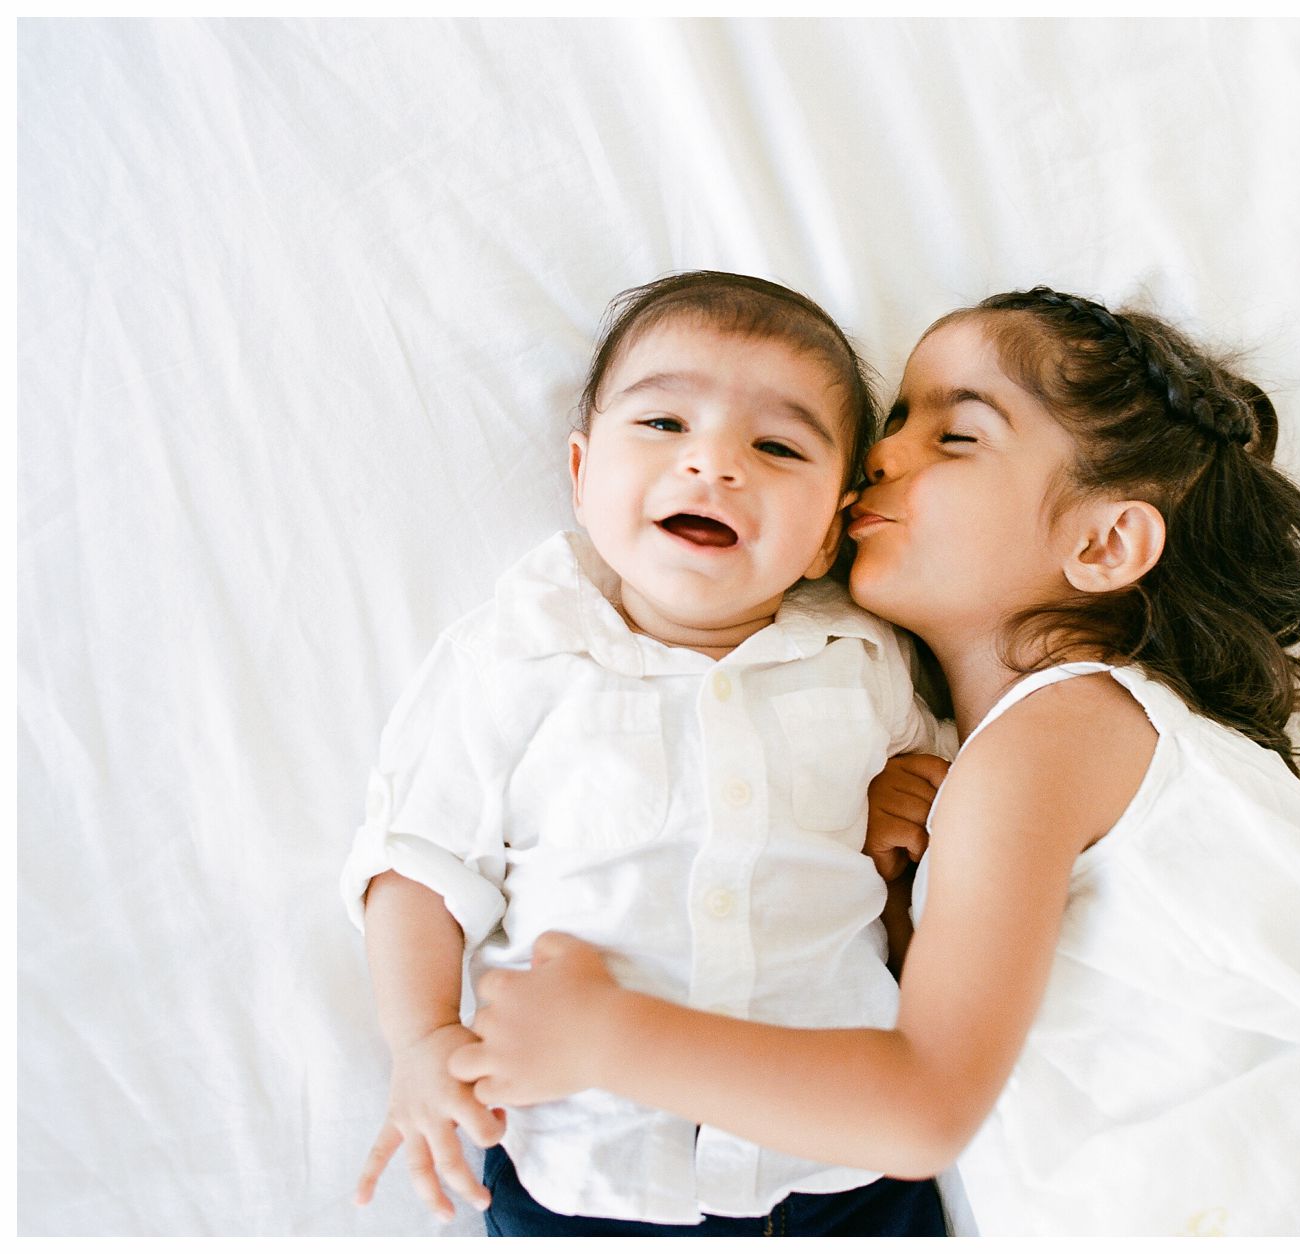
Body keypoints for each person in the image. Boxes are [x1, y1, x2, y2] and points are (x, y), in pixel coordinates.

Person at [447, 287, 1300, 1236]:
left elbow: (919, 1108)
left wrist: (604, 1041)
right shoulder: (1024, 753)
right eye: (892, 423)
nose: (883, 458)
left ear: (1104, 546)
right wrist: (889, 894)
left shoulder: (1055, 735)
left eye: (955, 434)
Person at [342, 271, 955, 1236]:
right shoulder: (516, 655)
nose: (715, 464)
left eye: (778, 445)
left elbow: (950, 810)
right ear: (582, 473)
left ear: (829, 532)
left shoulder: (863, 661)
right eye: (664, 426)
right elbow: (418, 861)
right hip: (587, 1169)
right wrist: (421, 1038)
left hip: (840, 1158)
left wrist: (905, 811)